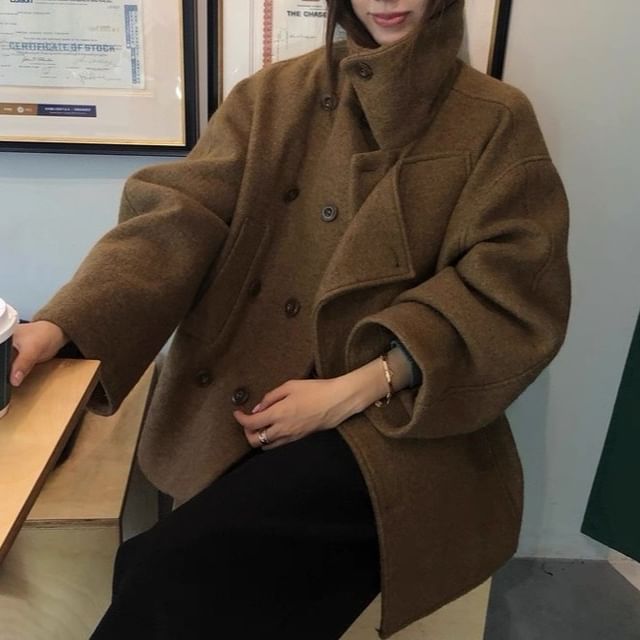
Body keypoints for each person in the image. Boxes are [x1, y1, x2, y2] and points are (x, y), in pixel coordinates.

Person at [10, 0, 571, 638]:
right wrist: (64, 323)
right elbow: (176, 220)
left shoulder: (494, 118)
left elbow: (513, 289)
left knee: (172, 575)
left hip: (397, 423)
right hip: (241, 401)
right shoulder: (274, 96)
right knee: (161, 571)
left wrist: (351, 389)